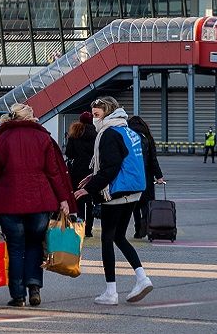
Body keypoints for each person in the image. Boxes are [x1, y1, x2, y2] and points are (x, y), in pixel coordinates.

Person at [0, 104, 75, 308]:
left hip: (8, 201)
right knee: (35, 245)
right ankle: (34, 286)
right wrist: (64, 199)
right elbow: (54, 172)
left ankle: (18, 295)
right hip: (40, 200)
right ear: (31, 117)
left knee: (15, 247)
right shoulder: (43, 137)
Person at [74, 96, 154, 305]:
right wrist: (93, 176)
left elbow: (111, 167)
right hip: (133, 191)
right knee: (119, 236)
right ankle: (141, 277)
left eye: (97, 113)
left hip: (116, 193)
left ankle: (111, 291)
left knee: (107, 239)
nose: (94, 118)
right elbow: (121, 161)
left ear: (108, 112)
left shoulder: (108, 133)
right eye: (93, 113)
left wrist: (90, 189)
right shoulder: (127, 130)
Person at [127, 116, 165, 239]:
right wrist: (159, 176)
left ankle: (138, 230)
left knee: (134, 204)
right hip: (147, 175)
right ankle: (148, 228)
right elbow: (153, 159)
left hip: (132, 175)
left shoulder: (128, 137)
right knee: (147, 204)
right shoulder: (148, 138)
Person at [64, 111, 97, 237]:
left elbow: (69, 153)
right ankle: (89, 230)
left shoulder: (75, 133)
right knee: (90, 200)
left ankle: (80, 226)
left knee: (78, 199)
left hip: (77, 170)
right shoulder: (96, 133)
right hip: (92, 169)